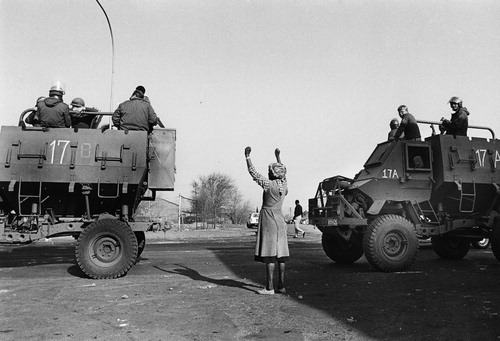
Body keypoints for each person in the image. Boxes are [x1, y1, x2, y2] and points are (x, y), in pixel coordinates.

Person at [245, 146, 289, 295]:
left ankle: (269, 288)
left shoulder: (268, 184)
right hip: (280, 219)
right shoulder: (284, 186)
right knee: (281, 255)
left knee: (270, 254)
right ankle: (281, 286)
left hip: (269, 218)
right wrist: (278, 158)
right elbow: (283, 175)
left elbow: (253, 173)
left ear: (271, 173)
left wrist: (247, 157)